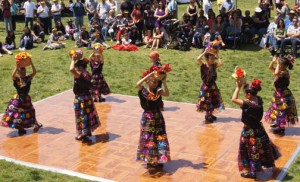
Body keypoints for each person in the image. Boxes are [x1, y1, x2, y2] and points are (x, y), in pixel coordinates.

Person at [231, 78, 281, 179]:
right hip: (259, 129)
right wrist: (245, 85)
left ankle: (252, 172)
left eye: (245, 93)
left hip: (249, 132)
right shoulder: (258, 99)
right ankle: (273, 167)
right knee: (265, 147)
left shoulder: (248, 104)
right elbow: (249, 97)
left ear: (249, 94)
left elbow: (233, 99)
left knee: (249, 151)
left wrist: (237, 87)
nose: (244, 95)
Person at [136, 69, 170, 173]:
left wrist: (164, 81)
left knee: (159, 138)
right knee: (148, 139)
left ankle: (159, 158)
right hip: (147, 118)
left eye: (156, 82)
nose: (155, 83)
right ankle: (150, 160)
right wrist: (150, 74)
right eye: (153, 81)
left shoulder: (158, 91)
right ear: (147, 81)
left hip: (158, 117)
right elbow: (138, 83)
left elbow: (167, 94)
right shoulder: (143, 91)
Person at [1, 54, 42, 135]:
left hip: (26, 99)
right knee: (17, 114)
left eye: (24, 72)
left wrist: (31, 63)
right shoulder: (17, 79)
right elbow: (12, 75)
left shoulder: (28, 78)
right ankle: (20, 128)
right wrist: (16, 67)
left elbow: (34, 72)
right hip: (18, 99)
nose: (23, 73)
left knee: (30, 111)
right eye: (21, 72)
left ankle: (34, 123)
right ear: (19, 72)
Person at [69, 50, 100, 142]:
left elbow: (71, 69)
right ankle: (86, 132)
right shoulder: (87, 74)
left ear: (80, 67)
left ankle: (82, 134)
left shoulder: (80, 75)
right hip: (87, 98)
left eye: (77, 67)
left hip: (81, 99)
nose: (76, 69)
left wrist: (73, 60)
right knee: (86, 115)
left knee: (81, 116)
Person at [265, 55, 298, 134]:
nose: (279, 65)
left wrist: (277, 63)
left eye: (280, 64)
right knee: (276, 108)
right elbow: (270, 68)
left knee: (281, 109)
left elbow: (276, 73)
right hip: (278, 94)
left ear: (285, 66)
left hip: (283, 95)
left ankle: (281, 127)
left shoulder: (284, 73)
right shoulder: (280, 71)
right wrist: (273, 61)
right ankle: (277, 123)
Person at [196, 48, 225, 122]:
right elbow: (198, 58)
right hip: (206, 87)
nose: (212, 60)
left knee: (213, 100)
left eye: (213, 59)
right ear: (207, 59)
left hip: (213, 86)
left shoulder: (213, 66)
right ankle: (207, 116)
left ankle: (210, 114)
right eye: (211, 59)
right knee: (207, 101)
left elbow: (221, 63)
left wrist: (217, 55)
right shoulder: (203, 65)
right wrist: (205, 52)